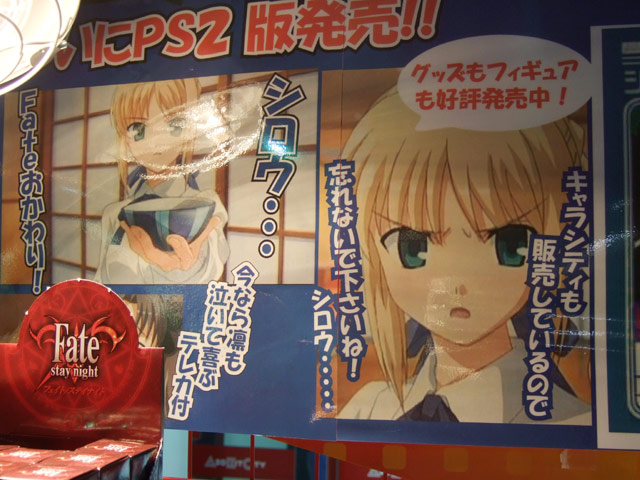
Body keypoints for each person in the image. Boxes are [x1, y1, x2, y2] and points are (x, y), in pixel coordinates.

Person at [338, 88, 591, 424]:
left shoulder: (570, 423)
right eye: (413, 248)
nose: (456, 282)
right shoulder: (367, 409)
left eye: (509, 244)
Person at [94, 78, 229, 284]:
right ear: (124, 138)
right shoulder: (114, 214)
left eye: (175, 125)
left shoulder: (206, 206)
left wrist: (182, 265)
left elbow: (211, 262)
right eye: (138, 129)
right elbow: (101, 280)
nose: (156, 141)